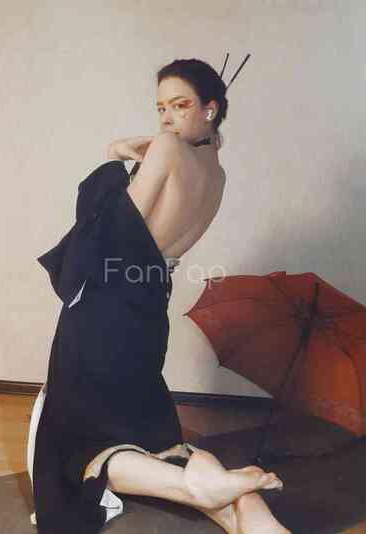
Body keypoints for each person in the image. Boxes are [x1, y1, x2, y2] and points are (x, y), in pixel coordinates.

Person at [28, 57, 292, 534]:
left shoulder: (167, 149)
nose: (167, 119)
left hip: (106, 304)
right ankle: (249, 513)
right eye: (161, 108)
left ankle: (197, 489)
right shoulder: (218, 176)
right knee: (142, 426)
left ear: (210, 109)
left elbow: (113, 229)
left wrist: (115, 157)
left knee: (76, 441)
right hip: (150, 305)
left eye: (180, 105)